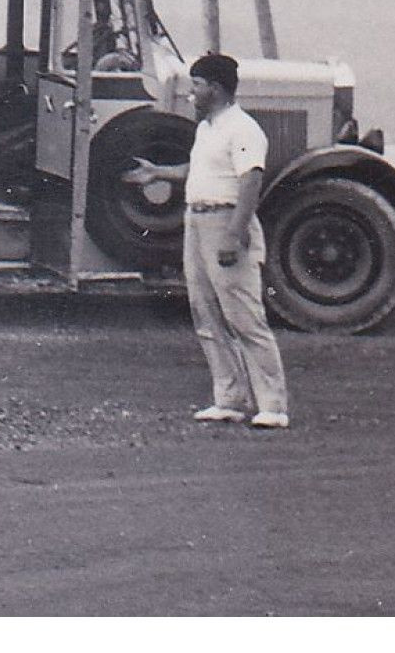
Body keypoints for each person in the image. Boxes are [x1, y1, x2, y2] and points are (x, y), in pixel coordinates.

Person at [123, 53, 290, 429]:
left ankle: (273, 405)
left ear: (214, 88)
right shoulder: (207, 129)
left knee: (243, 315)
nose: (190, 93)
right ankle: (229, 398)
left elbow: (250, 181)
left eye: (196, 86)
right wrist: (159, 173)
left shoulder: (243, 129)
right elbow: (200, 170)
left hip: (225, 221)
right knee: (205, 310)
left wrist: (234, 234)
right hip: (196, 220)